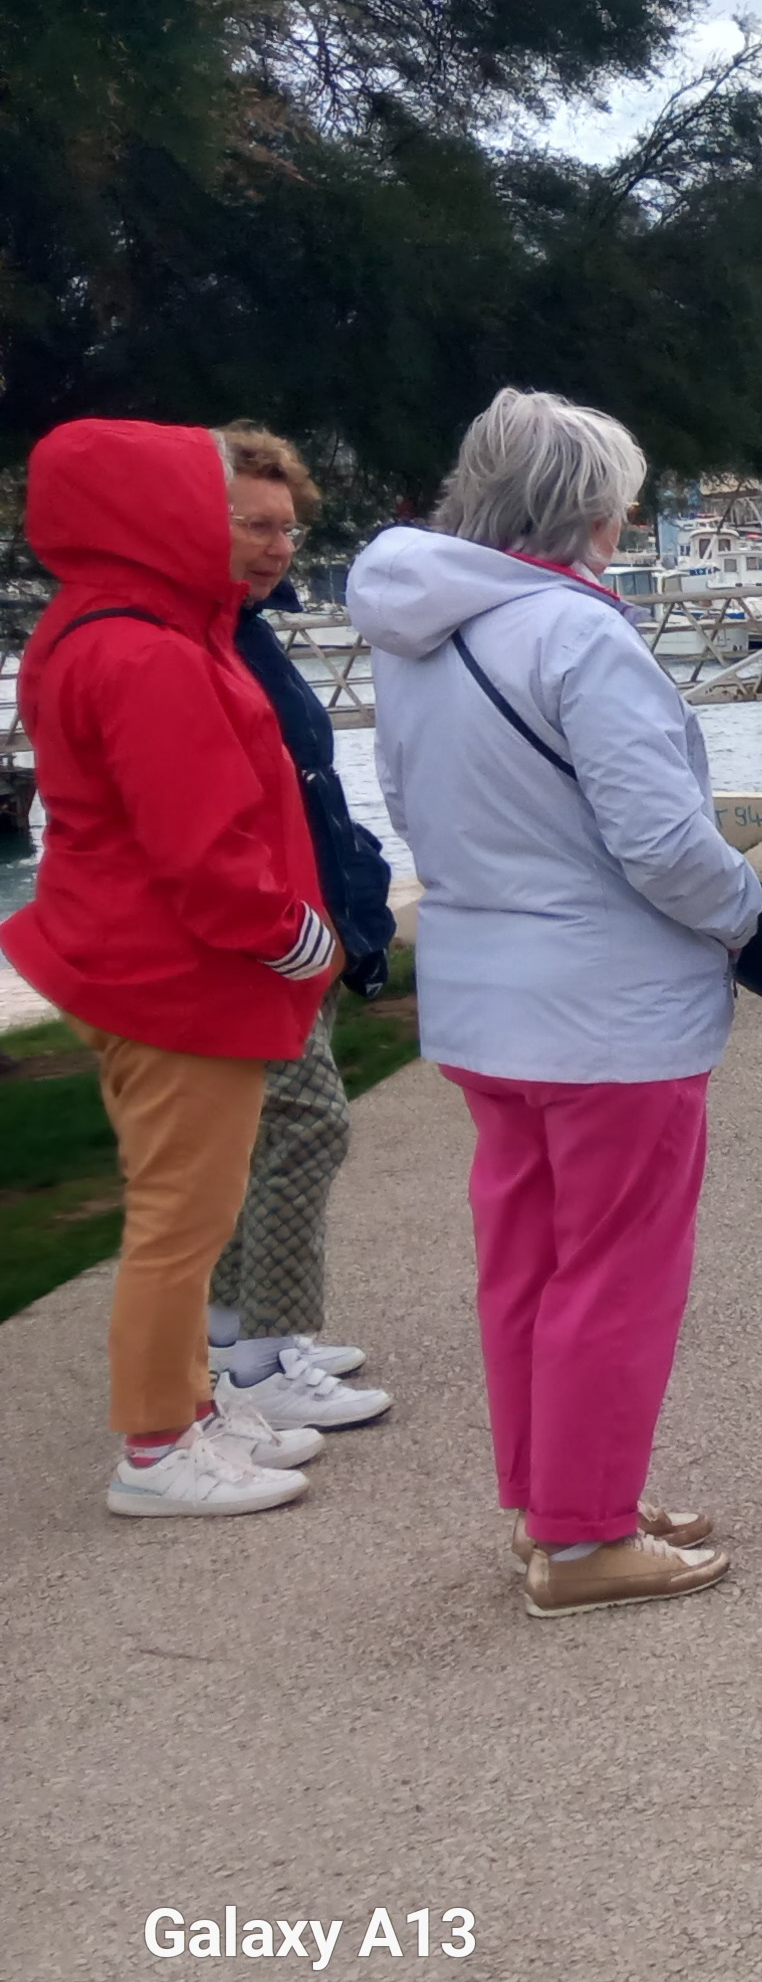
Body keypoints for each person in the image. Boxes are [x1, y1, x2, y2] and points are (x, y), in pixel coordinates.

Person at [352, 390, 762, 1611]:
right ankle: (586, 1536)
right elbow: (661, 838)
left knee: (529, 1261)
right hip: (607, 1007)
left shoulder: (421, 637)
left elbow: (416, 803)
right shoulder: (579, 637)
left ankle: (560, 1500)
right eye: (621, 497)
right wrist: (752, 915)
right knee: (617, 1268)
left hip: (487, 992)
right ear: (588, 508)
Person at [5, 421, 349, 1518]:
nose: (247, 533)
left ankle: (191, 1408)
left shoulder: (117, 626)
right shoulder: (143, 648)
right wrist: (296, 934)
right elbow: (201, 846)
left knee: (190, 1209)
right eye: (222, 506)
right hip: (172, 971)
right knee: (182, 1218)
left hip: (147, 955)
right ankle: (155, 1446)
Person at [205, 427, 401, 1418]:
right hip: (258, 934)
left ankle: (240, 1339)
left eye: (288, 526)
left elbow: (309, 783)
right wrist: (292, 930)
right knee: (303, 1124)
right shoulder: (197, 640)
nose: (280, 545)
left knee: (264, 1134)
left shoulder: (241, 630)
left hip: (302, 913)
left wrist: (352, 907)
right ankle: (264, 1360)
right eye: (256, 524)